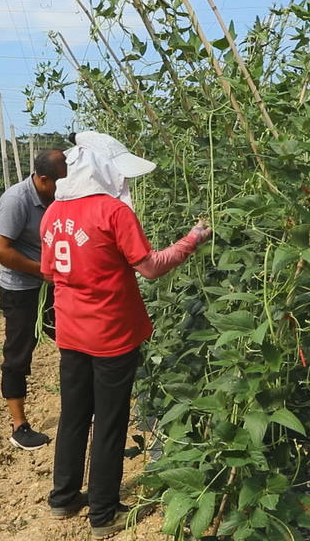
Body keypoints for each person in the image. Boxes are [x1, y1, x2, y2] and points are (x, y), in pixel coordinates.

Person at [40, 131, 211, 539]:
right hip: (111, 331)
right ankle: (103, 514)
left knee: (74, 415)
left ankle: (63, 498)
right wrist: (192, 240)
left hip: (70, 330)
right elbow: (150, 267)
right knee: (111, 421)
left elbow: (49, 272)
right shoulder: (113, 212)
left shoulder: (53, 213)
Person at [0, 148, 68, 450]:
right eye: (61, 181)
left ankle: (83, 408)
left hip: (51, 283)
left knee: (71, 339)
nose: (66, 186)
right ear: (43, 179)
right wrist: (41, 271)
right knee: (18, 353)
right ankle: (19, 426)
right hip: (21, 289)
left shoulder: (57, 197)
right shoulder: (16, 201)